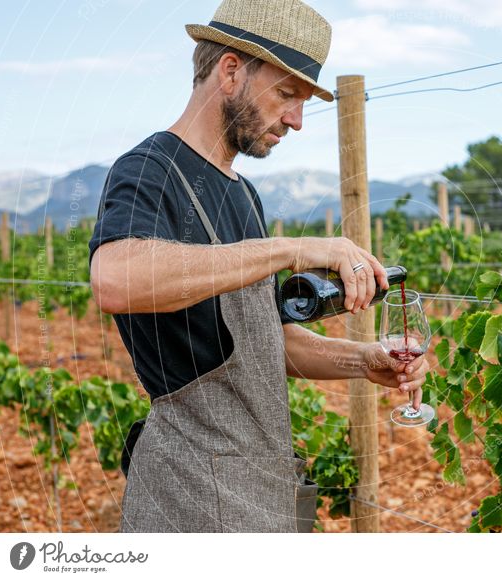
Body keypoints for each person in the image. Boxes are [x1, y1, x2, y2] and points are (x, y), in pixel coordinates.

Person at [88, 0, 429, 533]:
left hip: (258, 488)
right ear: (229, 71)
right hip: (188, 495)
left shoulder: (243, 194)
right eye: (287, 94)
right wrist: (291, 249)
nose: (295, 120)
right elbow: (115, 278)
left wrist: (363, 361)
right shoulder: (151, 170)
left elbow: (263, 343)